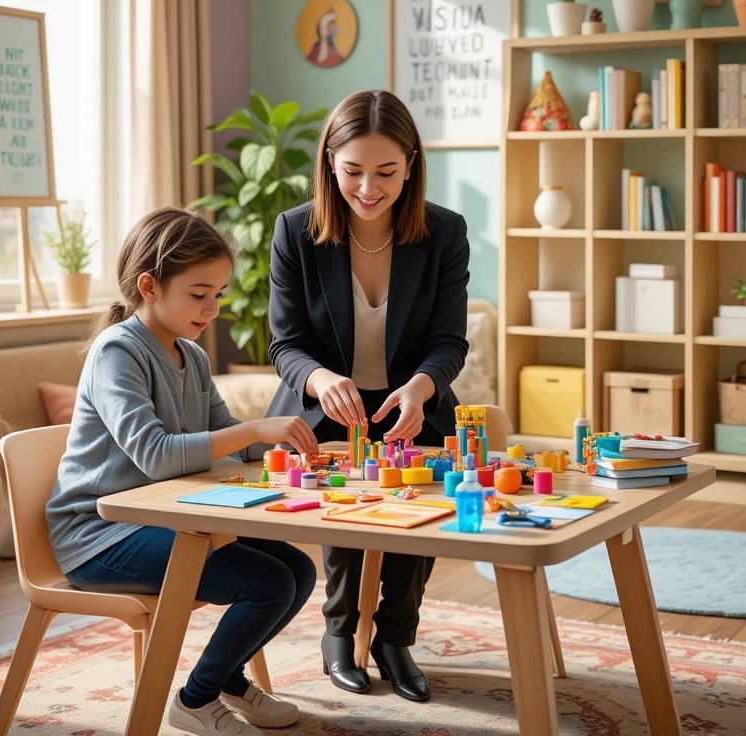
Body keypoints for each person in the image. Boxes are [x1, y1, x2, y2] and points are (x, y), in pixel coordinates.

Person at [46, 207, 320, 736]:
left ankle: (228, 681)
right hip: (100, 536)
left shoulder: (190, 358)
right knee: (266, 583)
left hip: (160, 522)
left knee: (298, 571)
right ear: (150, 286)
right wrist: (255, 431)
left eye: (218, 294)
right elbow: (157, 454)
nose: (213, 308)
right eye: (200, 294)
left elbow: (229, 443)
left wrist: (289, 443)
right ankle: (195, 699)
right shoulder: (116, 353)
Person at [265, 89, 470, 702]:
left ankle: (395, 637)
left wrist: (423, 386)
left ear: (411, 163)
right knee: (349, 512)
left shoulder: (444, 232)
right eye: (353, 171)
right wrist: (320, 378)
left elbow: (449, 341)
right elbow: (284, 345)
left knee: (420, 512)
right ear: (330, 161)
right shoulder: (296, 232)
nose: (368, 188)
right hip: (324, 409)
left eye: (386, 172)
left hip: (412, 405)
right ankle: (338, 633)